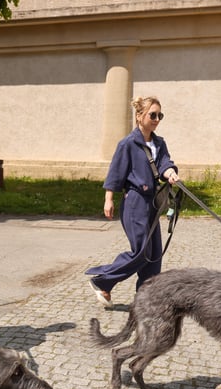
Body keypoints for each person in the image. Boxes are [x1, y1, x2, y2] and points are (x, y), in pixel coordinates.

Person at [85, 96, 180, 307]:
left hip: (153, 203)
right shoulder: (127, 144)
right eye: (152, 115)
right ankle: (102, 281)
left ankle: (145, 299)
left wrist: (171, 172)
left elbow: (165, 163)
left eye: (160, 115)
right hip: (135, 202)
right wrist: (108, 199)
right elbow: (116, 172)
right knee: (141, 252)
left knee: (154, 254)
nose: (157, 119)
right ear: (139, 116)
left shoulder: (159, 143)